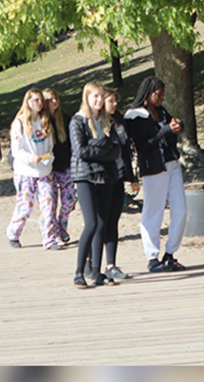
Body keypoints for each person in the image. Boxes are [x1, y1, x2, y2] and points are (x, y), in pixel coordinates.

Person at [124, 76, 188, 273]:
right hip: (152, 167)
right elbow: (143, 144)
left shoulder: (160, 111)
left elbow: (169, 132)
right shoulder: (135, 116)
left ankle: (170, 254)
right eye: (158, 94)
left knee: (181, 210)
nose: (161, 98)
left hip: (171, 164)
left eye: (163, 95)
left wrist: (177, 127)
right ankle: (152, 257)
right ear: (147, 94)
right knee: (154, 211)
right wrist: (166, 130)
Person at [69, 82, 121, 288]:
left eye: (101, 97)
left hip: (105, 175)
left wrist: (99, 146)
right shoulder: (78, 121)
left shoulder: (107, 120)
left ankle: (97, 272)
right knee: (90, 223)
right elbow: (80, 151)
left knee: (102, 223)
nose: (99, 101)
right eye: (95, 97)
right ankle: (79, 272)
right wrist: (102, 145)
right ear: (87, 98)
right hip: (85, 175)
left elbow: (116, 150)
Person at [6, 89, 59, 250]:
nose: (38, 103)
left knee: (48, 206)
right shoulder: (20, 123)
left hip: (44, 171)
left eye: (40, 100)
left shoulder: (45, 121)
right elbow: (17, 150)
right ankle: (13, 232)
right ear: (27, 102)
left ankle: (49, 238)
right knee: (25, 206)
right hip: (25, 171)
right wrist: (30, 158)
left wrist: (47, 159)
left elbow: (50, 145)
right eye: (34, 100)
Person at [100, 88, 139, 281]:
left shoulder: (120, 122)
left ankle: (111, 264)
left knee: (113, 220)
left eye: (116, 101)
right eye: (111, 101)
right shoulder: (95, 124)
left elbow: (126, 151)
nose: (115, 104)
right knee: (100, 222)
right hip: (99, 179)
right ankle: (92, 264)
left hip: (117, 176)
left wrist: (131, 178)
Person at [42, 88, 74, 245]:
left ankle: (62, 226)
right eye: (49, 100)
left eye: (55, 98)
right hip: (48, 168)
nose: (54, 102)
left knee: (69, 200)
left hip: (65, 165)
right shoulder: (40, 121)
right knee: (50, 203)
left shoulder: (65, 118)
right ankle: (52, 232)